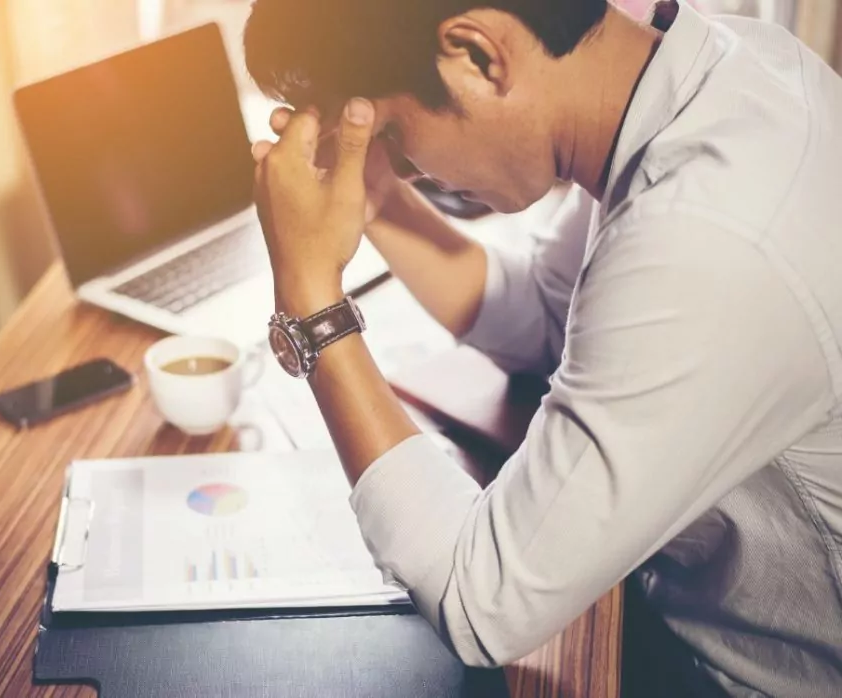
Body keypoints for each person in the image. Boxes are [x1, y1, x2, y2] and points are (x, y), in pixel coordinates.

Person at [244, 0, 842, 695]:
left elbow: (480, 604)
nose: (405, 167)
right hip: (666, 593)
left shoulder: (705, 237)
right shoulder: (724, 70)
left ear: (477, 55)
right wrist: (377, 199)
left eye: (399, 133)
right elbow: (542, 317)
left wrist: (312, 298)